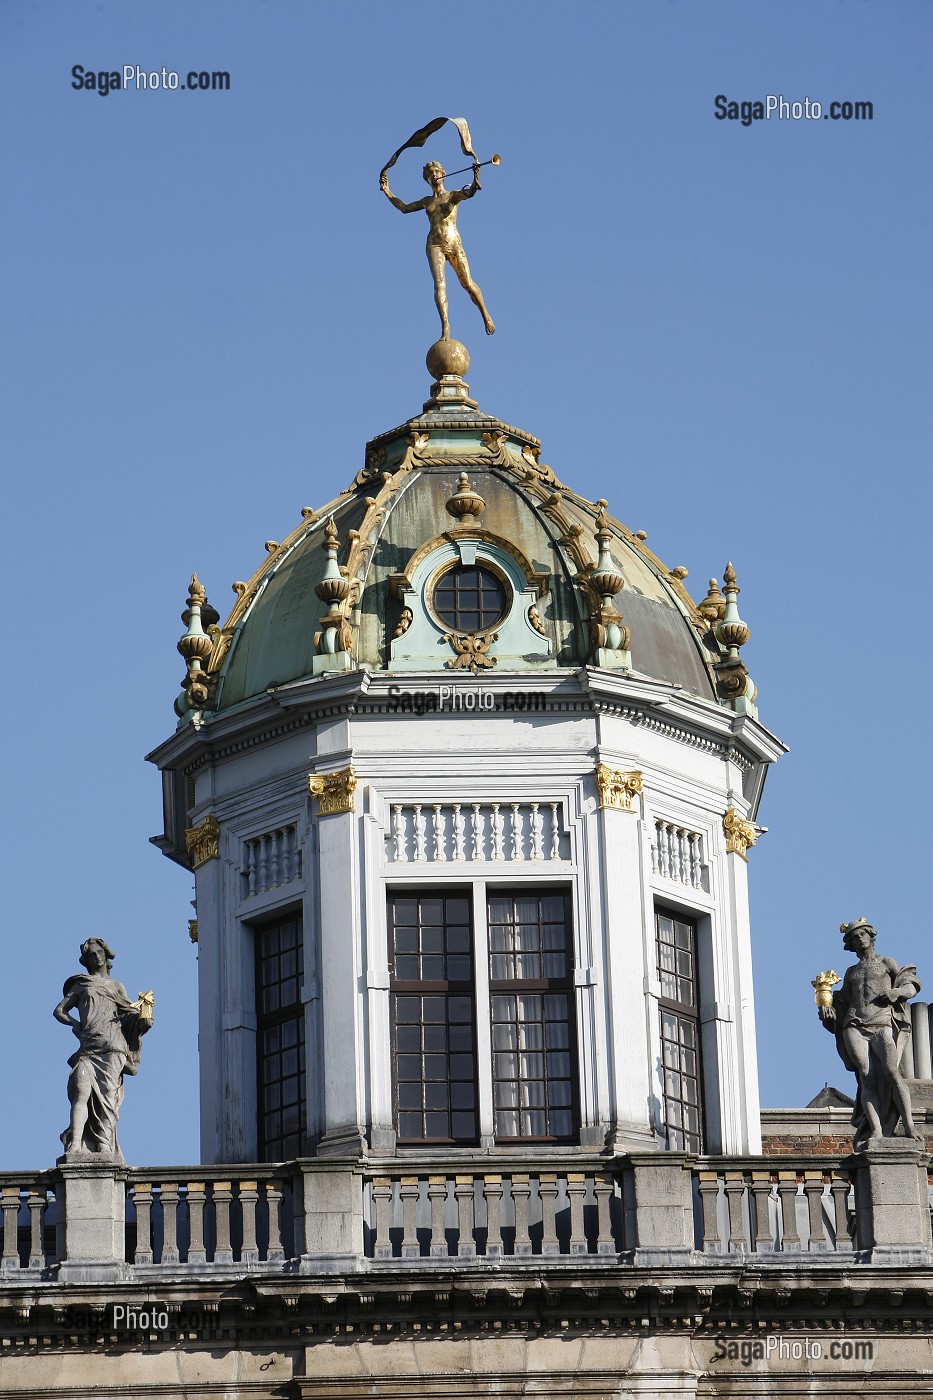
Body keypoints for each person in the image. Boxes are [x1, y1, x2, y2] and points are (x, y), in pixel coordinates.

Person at [818, 917, 921, 1150]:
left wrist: (897, 992)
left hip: (881, 1021)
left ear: (871, 935)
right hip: (854, 1023)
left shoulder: (886, 962)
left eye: (861, 934)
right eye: (854, 937)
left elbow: (910, 983)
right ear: (851, 945)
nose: (859, 939)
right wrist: (828, 1011)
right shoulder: (851, 971)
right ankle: (875, 1130)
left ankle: (910, 1125)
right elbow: (842, 1001)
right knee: (866, 1076)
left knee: (892, 1072)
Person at [53, 938, 152, 1158]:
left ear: (106, 956)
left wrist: (141, 1022)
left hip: (113, 1047)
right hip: (89, 1047)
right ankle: (75, 1145)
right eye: (91, 954)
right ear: (86, 960)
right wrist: (76, 1024)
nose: (96, 957)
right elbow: (59, 1011)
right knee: (81, 1091)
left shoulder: (117, 987)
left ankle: (104, 1146)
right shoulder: (82, 984)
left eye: (99, 953)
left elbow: (127, 1017)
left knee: (108, 1097)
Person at [380, 159, 495, 339]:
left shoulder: (452, 195)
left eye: (436, 172)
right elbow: (404, 208)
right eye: (430, 174)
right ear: (427, 179)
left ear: (443, 173)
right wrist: (387, 191)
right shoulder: (427, 202)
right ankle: (445, 328)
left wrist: (475, 178)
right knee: (439, 285)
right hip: (434, 244)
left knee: (468, 283)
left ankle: (486, 316)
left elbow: (469, 192)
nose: (433, 175)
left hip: (453, 243)